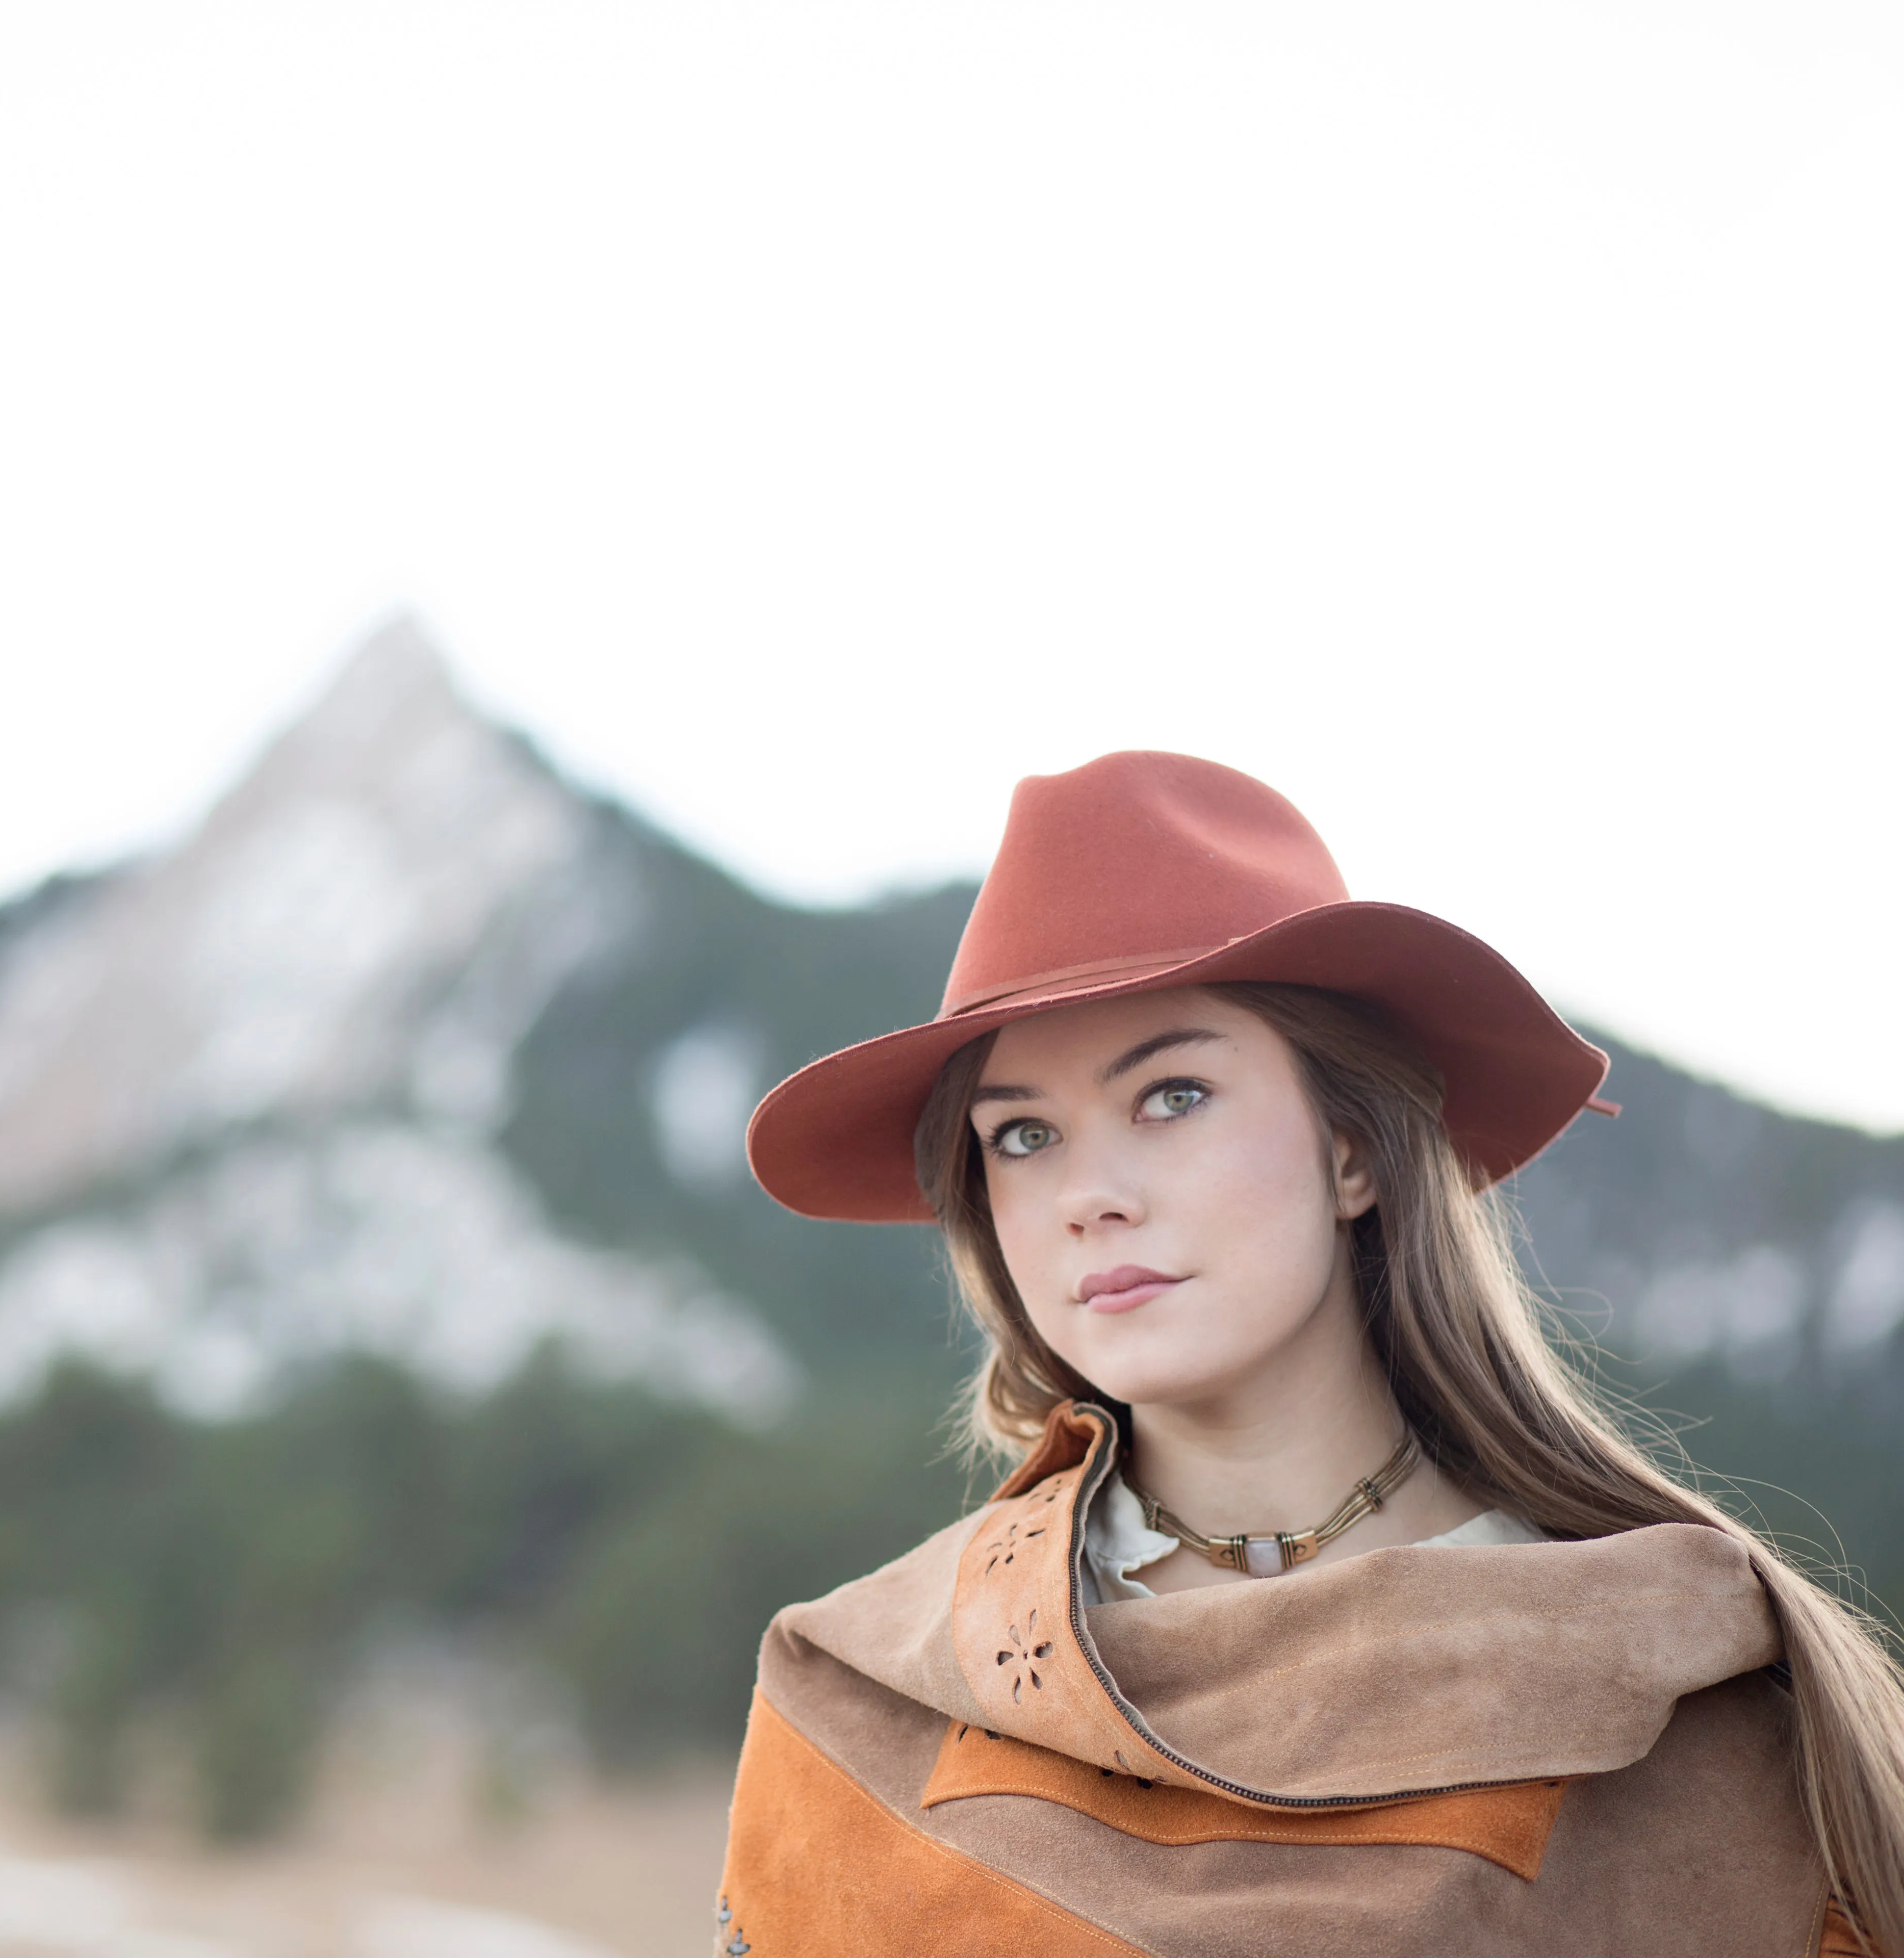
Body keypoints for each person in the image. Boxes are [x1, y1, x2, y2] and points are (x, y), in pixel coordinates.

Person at [717, 751, 1900, 1956]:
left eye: (1172, 1096)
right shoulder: (863, 1692)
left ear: (1353, 1154)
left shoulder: (1687, 1698)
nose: (1088, 1196)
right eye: (1022, 1134)